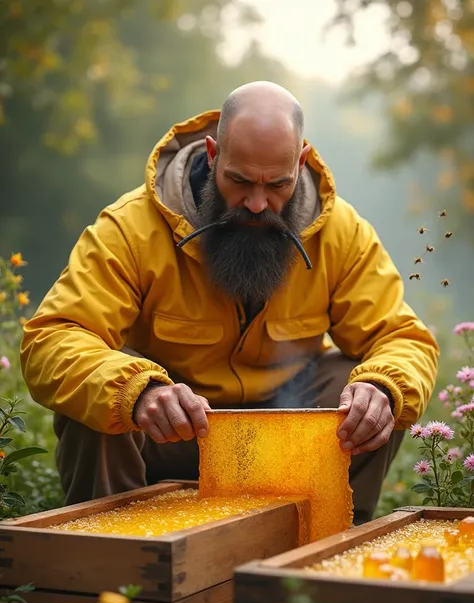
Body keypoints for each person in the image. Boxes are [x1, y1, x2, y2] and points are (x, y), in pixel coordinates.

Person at [20, 81, 439, 523]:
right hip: (172, 434)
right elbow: (52, 339)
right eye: (239, 181)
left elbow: (403, 338)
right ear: (213, 154)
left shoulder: (342, 232)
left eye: (278, 184)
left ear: (299, 162)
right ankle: (120, 565)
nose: (257, 205)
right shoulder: (130, 227)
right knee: (105, 397)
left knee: (375, 394)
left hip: (284, 435)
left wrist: (380, 389)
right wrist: (138, 392)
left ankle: (328, 544)